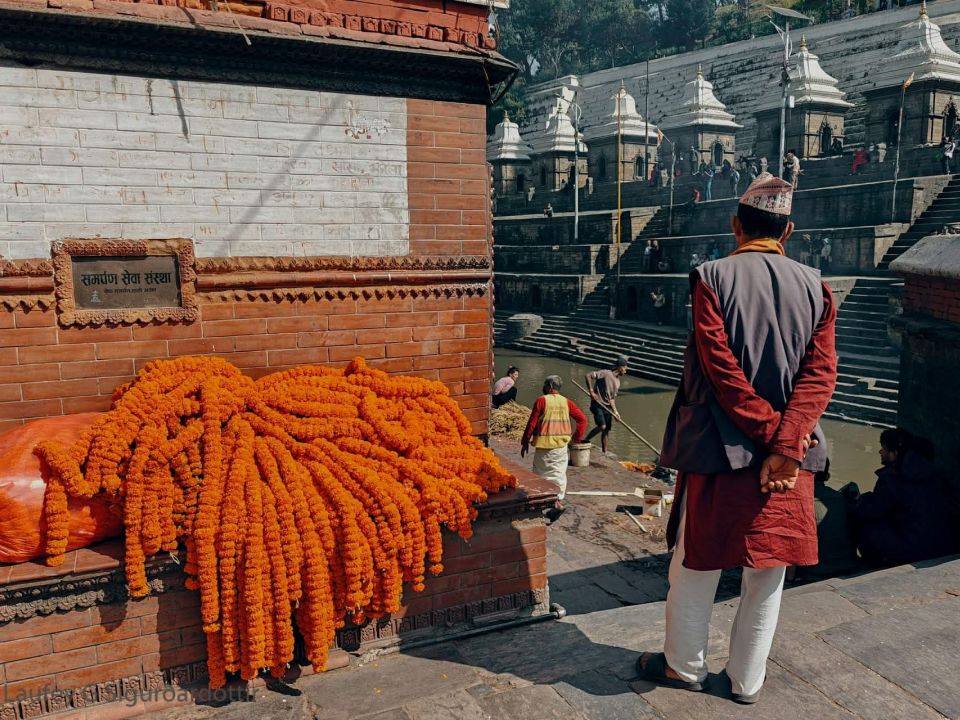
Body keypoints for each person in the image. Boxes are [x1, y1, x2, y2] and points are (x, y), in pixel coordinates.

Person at [638, 172, 838, 705]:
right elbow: (821, 375)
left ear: (735, 225)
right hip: (791, 457)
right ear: (788, 230)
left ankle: (684, 667)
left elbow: (721, 370)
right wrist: (786, 443)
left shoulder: (711, 277)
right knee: (768, 571)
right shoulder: (817, 287)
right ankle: (747, 680)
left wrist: (771, 436)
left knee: (695, 562)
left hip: (718, 448)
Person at [846, 429, 956, 567]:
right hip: (939, 546)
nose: (880, 452)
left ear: (895, 453)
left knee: (861, 521)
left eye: (884, 448)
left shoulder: (892, 478)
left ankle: (860, 562)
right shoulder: (934, 474)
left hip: (911, 550)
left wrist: (856, 503)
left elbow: (874, 511)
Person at [521, 375, 588, 523]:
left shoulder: (541, 400)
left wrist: (525, 441)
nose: (543, 387)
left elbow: (531, 423)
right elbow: (583, 420)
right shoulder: (567, 402)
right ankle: (557, 502)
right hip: (561, 447)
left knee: (541, 475)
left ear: (550, 386)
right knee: (558, 475)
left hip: (545, 446)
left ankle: (541, 505)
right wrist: (575, 439)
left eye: (545, 384)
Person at [793, 459, 857, 581]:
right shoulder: (840, 499)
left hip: (813, 571)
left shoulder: (798, 502)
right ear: (827, 476)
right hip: (846, 565)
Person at [583, 356, 629, 455]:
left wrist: (615, 412)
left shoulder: (618, 382)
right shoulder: (606, 373)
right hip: (597, 404)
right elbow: (588, 375)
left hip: (607, 407)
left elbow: (611, 398)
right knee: (602, 426)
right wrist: (591, 392)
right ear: (620, 367)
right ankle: (585, 439)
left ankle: (605, 452)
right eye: (625, 368)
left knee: (606, 430)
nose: (626, 371)